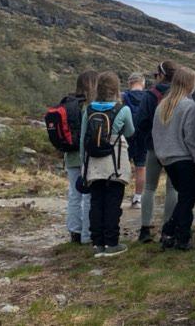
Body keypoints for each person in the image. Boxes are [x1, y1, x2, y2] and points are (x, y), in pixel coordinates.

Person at [80, 71, 135, 257]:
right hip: (115, 162)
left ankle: (98, 244)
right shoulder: (123, 110)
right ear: (116, 88)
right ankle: (112, 243)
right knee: (113, 203)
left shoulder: (88, 109)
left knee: (96, 202)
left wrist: (83, 164)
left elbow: (83, 139)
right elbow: (130, 132)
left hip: (93, 162)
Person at [151, 67, 195, 251]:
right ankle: (178, 235)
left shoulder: (162, 105)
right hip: (185, 158)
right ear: (189, 84)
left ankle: (172, 233)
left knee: (184, 198)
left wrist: (161, 154)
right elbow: (191, 136)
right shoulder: (188, 105)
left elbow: (155, 133)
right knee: (188, 199)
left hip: (167, 159)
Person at [134, 61, 179, 243]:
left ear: (161, 75)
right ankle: (167, 230)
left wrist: (149, 137)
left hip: (154, 147)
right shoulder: (181, 95)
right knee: (172, 188)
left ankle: (145, 229)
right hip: (175, 148)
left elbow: (141, 121)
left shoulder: (150, 95)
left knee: (150, 187)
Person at [65, 70, 98, 244]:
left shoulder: (69, 103)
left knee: (74, 194)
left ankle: (74, 232)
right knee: (88, 195)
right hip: (86, 155)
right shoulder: (91, 106)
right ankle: (87, 234)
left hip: (70, 154)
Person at [122, 72, 147, 209]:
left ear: (129, 83)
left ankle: (117, 196)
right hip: (143, 136)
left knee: (121, 167)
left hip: (126, 136)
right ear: (143, 83)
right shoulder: (148, 96)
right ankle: (137, 199)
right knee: (141, 167)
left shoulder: (123, 96)